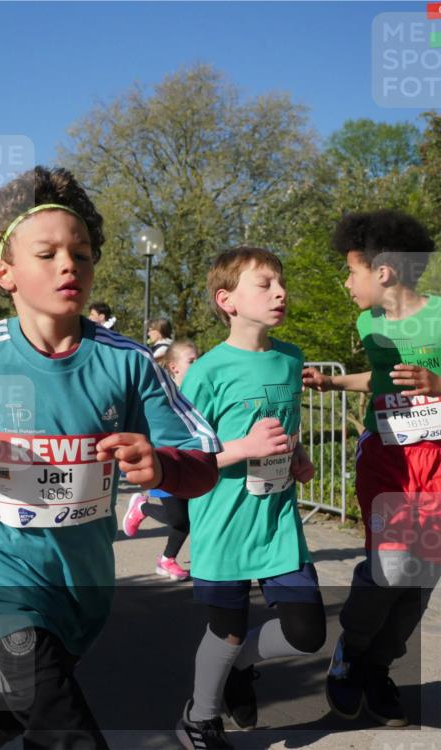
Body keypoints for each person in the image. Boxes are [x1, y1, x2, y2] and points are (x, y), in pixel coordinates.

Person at [0, 166, 220, 750]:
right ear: (5, 272)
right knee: (67, 730)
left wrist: (163, 465)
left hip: (81, 584)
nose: (70, 265)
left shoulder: (130, 363)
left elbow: (202, 461)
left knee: (32, 701)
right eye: (48, 254)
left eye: (83, 254)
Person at [174, 246, 324, 749]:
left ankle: (238, 670)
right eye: (264, 284)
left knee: (308, 633)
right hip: (224, 521)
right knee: (227, 631)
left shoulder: (291, 357)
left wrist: (296, 456)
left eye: (280, 283)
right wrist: (243, 448)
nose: (280, 292)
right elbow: (183, 458)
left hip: (278, 520)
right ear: (228, 300)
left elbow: (287, 430)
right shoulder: (207, 372)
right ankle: (200, 717)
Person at [303, 209, 439, 728]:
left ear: (383, 271)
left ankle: (378, 668)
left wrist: (439, 386)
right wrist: (332, 383)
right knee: (390, 567)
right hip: (385, 454)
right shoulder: (369, 322)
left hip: (438, 459)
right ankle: (353, 651)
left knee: (422, 575)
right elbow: (380, 379)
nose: (346, 281)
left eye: (352, 270)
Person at [122, 339, 199, 582]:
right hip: (163, 462)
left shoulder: (200, 389)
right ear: (174, 367)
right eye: (192, 361)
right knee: (179, 518)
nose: (198, 365)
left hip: (191, 462)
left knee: (187, 520)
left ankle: (167, 560)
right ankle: (142, 507)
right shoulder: (162, 394)